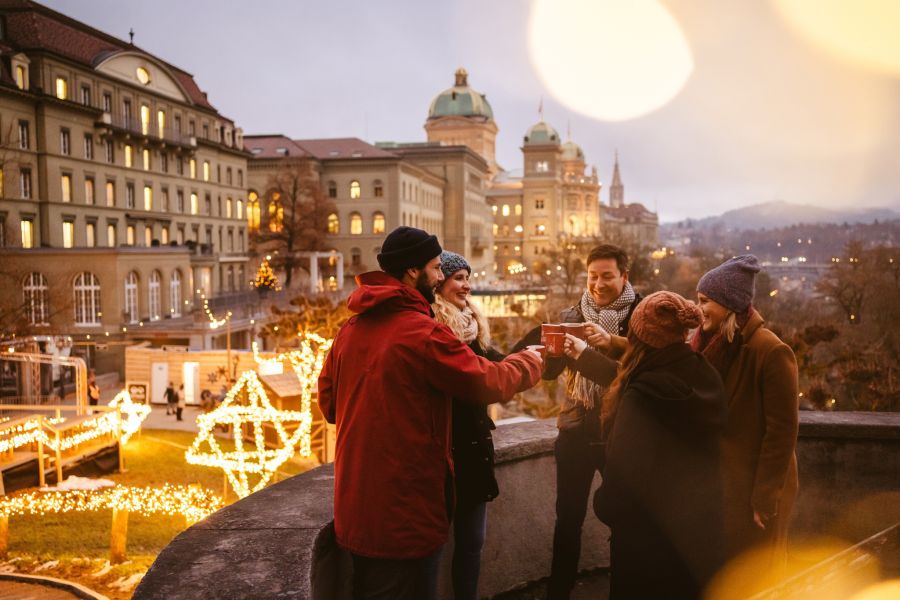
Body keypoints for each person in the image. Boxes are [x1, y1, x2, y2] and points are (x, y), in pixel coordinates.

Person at [318, 227, 543, 600]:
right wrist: (529, 361)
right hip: (405, 509)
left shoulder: (349, 330)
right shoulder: (422, 334)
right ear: (412, 271)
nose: (440, 277)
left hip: (356, 505)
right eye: (437, 268)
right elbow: (489, 382)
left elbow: (329, 406)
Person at [592, 291, 728, 599]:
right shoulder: (706, 376)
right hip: (699, 537)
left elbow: (623, 481)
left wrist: (603, 504)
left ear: (640, 338)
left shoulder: (643, 395)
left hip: (646, 542)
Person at [540, 244, 642, 600]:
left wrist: (585, 354)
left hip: (619, 434)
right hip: (575, 431)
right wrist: (551, 353)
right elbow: (550, 376)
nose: (598, 284)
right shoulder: (571, 313)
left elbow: (632, 378)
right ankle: (559, 592)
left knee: (624, 518)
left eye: (607, 276)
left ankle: (624, 590)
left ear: (624, 276)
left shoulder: (641, 316)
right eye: (593, 276)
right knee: (567, 519)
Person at [691, 255, 799, 590]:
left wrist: (764, 499)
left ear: (728, 304)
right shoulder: (712, 344)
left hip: (756, 488)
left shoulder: (769, 350)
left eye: (704, 302)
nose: (699, 310)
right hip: (727, 483)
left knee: (756, 575)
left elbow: (781, 433)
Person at [432, 251, 503, 600]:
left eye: (467, 277)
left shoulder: (473, 326)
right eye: (458, 278)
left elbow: (498, 366)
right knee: (433, 545)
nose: (466, 285)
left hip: (473, 448)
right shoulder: (434, 329)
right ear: (439, 283)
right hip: (444, 446)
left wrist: (537, 353)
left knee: (473, 542)